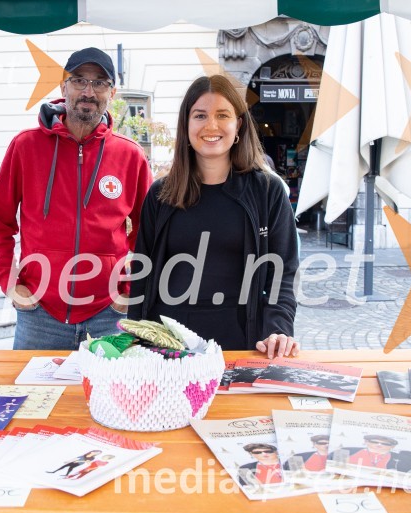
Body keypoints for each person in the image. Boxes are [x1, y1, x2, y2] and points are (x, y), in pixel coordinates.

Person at [0, 47, 152, 350]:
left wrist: (129, 291)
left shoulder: (130, 156)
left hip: (108, 314)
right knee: (34, 398)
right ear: (64, 87)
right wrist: (9, 282)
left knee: (112, 398)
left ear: (112, 92)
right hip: (40, 315)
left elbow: (147, 232)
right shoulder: (26, 147)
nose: (88, 91)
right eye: (79, 81)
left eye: (100, 82)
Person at [127, 75, 299, 358]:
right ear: (186, 124)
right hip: (168, 343)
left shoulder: (268, 192)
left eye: (223, 115)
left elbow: (283, 273)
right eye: (200, 115)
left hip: (241, 339)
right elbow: (141, 274)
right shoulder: (161, 193)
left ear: (238, 125)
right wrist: (135, 336)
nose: (211, 125)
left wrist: (278, 329)